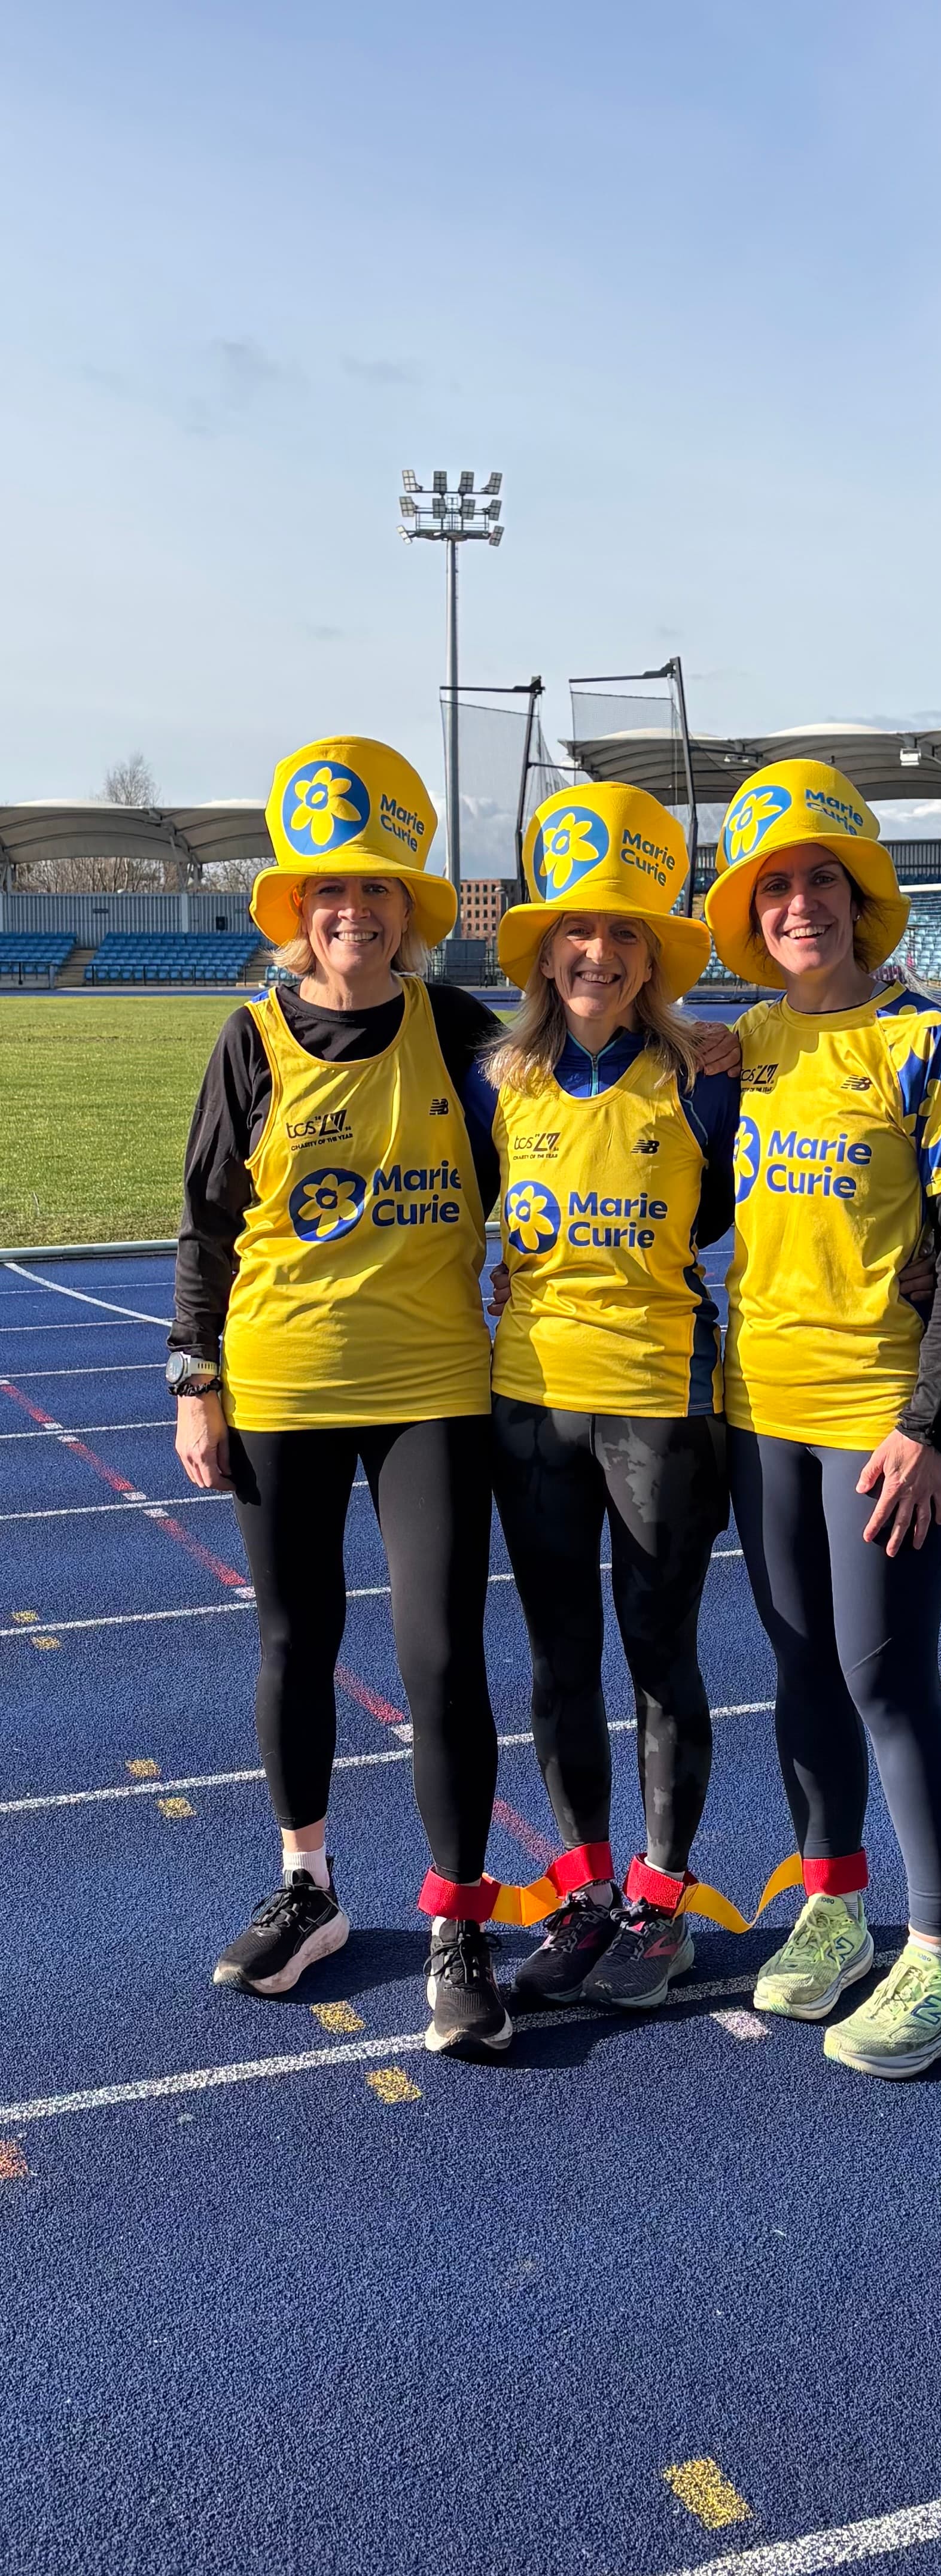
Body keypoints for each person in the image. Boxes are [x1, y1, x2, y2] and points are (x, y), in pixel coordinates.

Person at [168, 734, 512, 2059]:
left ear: (407, 913)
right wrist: (197, 1380)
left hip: (432, 1382)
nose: (352, 914)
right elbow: (205, 1223)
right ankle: (308, 1886)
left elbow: (569, 1109)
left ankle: (458, 1920)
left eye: (374, 894)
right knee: (293, 1642)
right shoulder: (250, 1039)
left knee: (437, 1655)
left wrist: (700, 1049)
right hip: (282, 1380)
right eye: (329, 894)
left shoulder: (459, 1027)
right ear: (299, 911)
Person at [704, 758, 941, 2078]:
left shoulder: (924, 1039)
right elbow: (697, 1205)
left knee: (885, 1677)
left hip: (877, 1414)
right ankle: (833, 1902)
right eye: (775, 886)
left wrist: (927, 1425)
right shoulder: (750, 1043)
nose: (800, 904)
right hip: (755, 1405)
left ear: (860, 898)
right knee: (801, 1666)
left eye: (821, 878)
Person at [462, 782, 739, 2010]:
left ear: (652, 956)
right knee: (557, 1656)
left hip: (659, 1405)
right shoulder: (495, 1081)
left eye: (625, 931)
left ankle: (660, 1899)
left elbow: (741, 1211)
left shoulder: (705, 1075)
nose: (598, 950)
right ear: (544, 949)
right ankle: (579, 1894)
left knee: (658, 1653)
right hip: (527, 1403)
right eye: (579, 929)